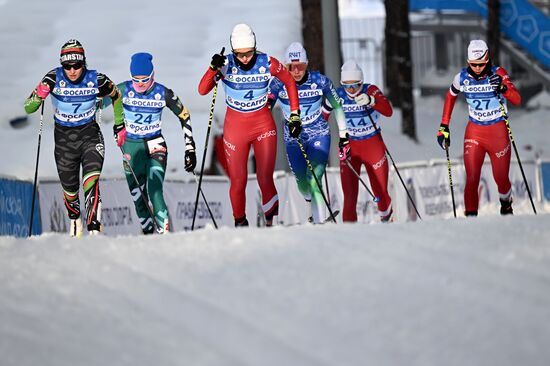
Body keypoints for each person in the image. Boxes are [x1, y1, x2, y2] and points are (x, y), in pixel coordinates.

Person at [198, 23, 301, 227]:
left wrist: (295, 116)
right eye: (240, 54)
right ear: (233, 50)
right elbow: (203, 90)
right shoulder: (225, 64)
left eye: (249, 53)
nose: (245, 58)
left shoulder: (267, 63)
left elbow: (289, 81)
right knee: (238, 182)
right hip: (236, 129)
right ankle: (241, 224)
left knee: (265, 178)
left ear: (255, 47)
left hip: (263, 126)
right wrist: (212, 69)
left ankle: (272, 224)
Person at [23, 39, 124, 237]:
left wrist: (119, 125)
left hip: (90, 135)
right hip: (64, 140)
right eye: (67, 66)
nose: (72, 71)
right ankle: (75, 218)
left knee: (91, 181)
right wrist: (38, 95)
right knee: (70, 192)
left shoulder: (97, 79)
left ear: (83, 63)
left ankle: (94, 227)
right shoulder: (53, 78)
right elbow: (28, 108)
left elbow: (117, 95)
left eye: (77, 65)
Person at [112, 52, 197, 234]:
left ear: (153, 75)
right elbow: (96, 104)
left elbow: (184, 115)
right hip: (131, 147)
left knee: (155, 191)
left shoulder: (162, 93)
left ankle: (164, 235)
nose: (140, 83)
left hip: (155, 145)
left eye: (145, 79)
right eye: (136, 79)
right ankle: (148, 234)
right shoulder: (122, 90)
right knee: (138, 196)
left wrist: (190, 148)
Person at [437, 39, 521, 216]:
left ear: (487, 59)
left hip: (497, 131)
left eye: (481, 64)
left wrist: (502, 87)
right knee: (472, 178)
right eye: (473, 64)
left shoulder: (498, 73)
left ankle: (506, 203)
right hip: (475, 132)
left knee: (501, 178)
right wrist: (444, 125)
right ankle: (471, 220)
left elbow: (517, 99)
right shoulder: (461, 78)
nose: (477, 68)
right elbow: (450, 96)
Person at [268, 42, 348, 224]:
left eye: (301, 66)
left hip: (318, 133)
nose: (296, 71)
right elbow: (265, 111)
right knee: (303, 184)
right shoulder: (278, 84)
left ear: (307, 64)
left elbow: (338, 106)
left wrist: (344, 136)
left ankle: (319, 224)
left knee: (314, 179)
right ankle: (313, 206)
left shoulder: (320, 81)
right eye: (291, 67)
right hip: (293, 137)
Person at [327, 60, 394, 222]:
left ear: (361, 82)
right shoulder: (337, 95)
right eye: (346, 85)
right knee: (349, 198)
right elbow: (321, 117)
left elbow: (389, 111)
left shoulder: (371, 90)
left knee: (381, 193)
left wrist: (372, 101)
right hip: (350, 149)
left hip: (373, 147)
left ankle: (389, 225)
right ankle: (350, 237)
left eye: (355, 85)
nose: (351, 90)